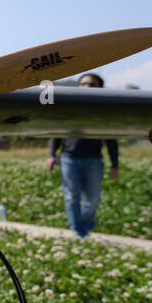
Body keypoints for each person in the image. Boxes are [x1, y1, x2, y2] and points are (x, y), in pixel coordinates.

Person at [47, 73, 119, 238]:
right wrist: (52, 155)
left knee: (93, 200)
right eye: (83, 83)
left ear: (100, 88)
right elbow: (57, 133)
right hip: (69, 158)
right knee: (71, 196)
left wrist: (115, 164)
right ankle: (78, 230)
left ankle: (85, 226)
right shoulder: (69, 110)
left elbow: (111, 140)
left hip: (94, 160)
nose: (87, 87)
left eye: (92, 84)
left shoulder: (104, 113)